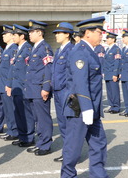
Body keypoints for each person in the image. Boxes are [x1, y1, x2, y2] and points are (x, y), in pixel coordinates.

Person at [61, 16, 108, 178]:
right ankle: (67, 176)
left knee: (99, 143)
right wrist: (87, 109)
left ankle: (98, 174)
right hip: (79, 109)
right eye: (99, 32)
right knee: (73, 147)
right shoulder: (80, 52)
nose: (102, 35)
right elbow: (80, 83)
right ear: (87, 33)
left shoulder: (90, 51)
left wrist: (92, 109)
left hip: (91, 109)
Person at [24, 19, 53, 156]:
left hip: (40, 89)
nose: (29, 34)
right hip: (32, 89)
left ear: (39, 32)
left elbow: (49, 69)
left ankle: (46, 145)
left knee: (43, 118)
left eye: (32, 32)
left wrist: (46, 87)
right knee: (37, 118)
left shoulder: (45, 48)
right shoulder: (35, 48)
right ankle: (40, 142)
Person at [7, 24, 35, 147]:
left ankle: (29, 137)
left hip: (23, 87)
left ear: (22, 36)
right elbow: (13, 69)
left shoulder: (28, 49)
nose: (12, 37)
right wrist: (10, 85)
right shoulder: (17, 49)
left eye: (15, 35)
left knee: (26, 114)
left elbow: (29, 70)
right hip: (16, 86)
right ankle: (22, 135)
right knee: (18, 112)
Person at [51, 22, 75, 162]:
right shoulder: (59, 50)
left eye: (59, 33)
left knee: (69, 124)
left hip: (66, 92)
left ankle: (71, 155)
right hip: (58, 91)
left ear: (67, 34)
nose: (56, 35)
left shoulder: (71, 50)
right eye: (56, 33)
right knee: (62, 124)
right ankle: (68, 153)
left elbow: (71, 74)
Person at [0, 25, 18, 141]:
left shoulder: (14, 49)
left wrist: (9, 84)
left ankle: (14, 131)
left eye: (5, 34)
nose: (3, 36)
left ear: (11, 35)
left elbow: (12, 69)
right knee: (7, 110)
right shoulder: (7, 48)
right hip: (3, 84)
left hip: (9, 85)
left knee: (11, 109)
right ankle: (10, 130)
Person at [103, 32, 121, 114]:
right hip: (107, 73)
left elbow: (117, 62)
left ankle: (116, 107)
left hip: (112, 73)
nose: (107, 40)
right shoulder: (107, 49)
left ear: (113, 39)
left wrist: (115, 74)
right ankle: (111, 105)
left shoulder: (116, 49)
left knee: (114, 91)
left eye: (108, 38)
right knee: (109, 91)